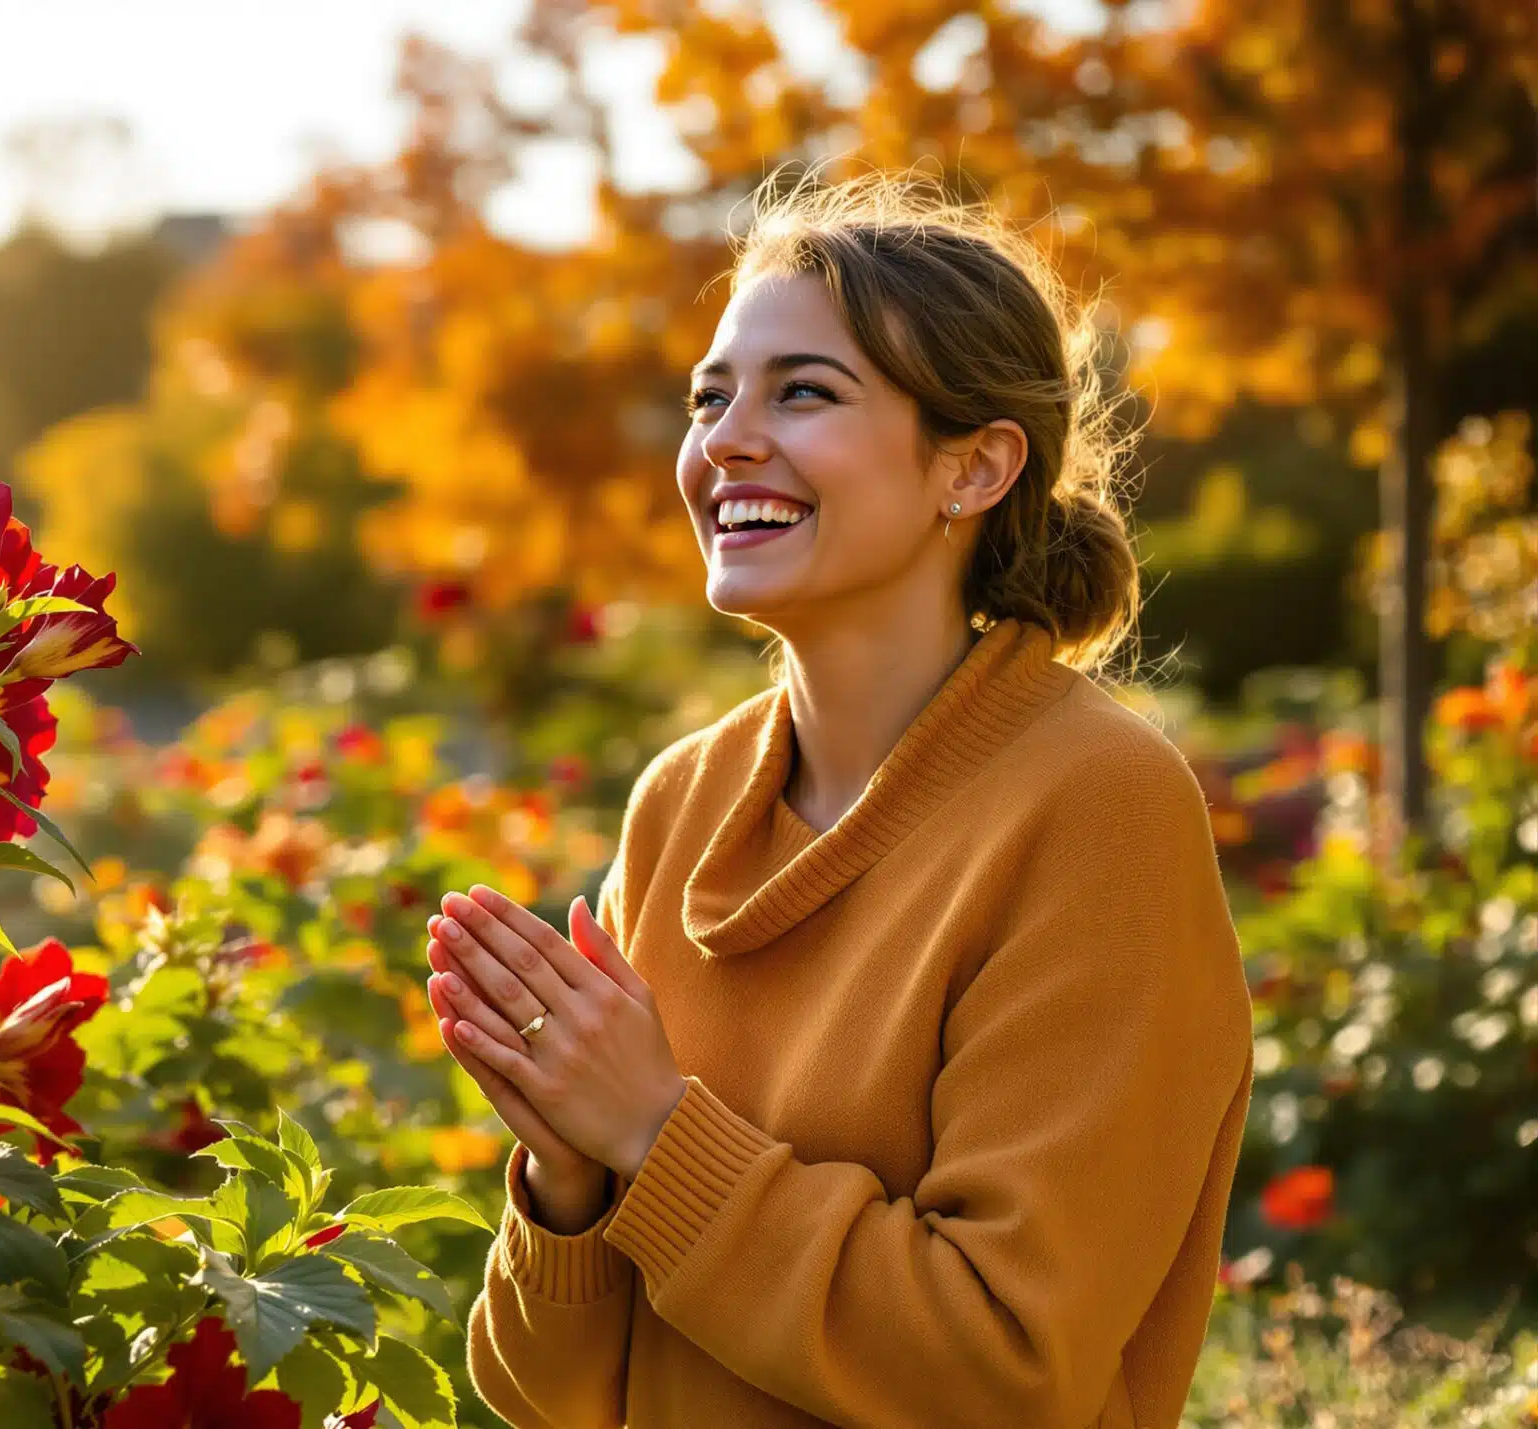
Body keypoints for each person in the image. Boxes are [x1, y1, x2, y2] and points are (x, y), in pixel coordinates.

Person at [424, 174, 1254, 1429]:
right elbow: (555, 1395)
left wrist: (654, 1128)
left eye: (802, 392)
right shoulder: (681, 803)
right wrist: (569, 1172)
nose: (724, 441)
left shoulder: (1097, 807)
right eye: (711, 397)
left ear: (971, 469)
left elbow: (1003, 1367)